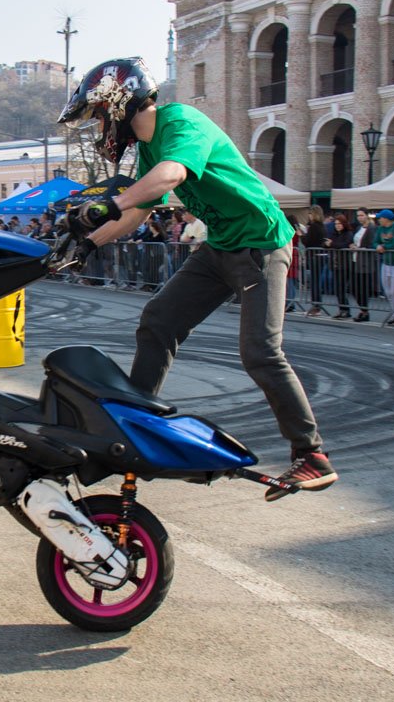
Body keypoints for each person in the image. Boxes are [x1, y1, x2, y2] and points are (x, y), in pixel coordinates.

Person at [58, 56, 336, 500]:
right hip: (222, 246)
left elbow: (173, 174)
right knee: (159, 320)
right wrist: (90, 243)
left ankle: (312, 455)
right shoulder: (150, 148)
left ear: (117, 106)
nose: (99, 129)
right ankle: (135, 423)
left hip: (261, 245)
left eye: (97, 116)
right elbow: (138, 211)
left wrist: (108, 205)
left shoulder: (182, 121)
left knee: (261, 353)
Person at [348, 207, 375, 321]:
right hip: (356, 259)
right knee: (354, 287)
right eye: (358, 215)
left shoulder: (371, 228)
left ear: (367, 215)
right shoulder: (359, 228)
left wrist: (359, 248)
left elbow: (371, 245)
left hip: (365, 262)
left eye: (362, 215)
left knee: (361, 288)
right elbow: (355, 241)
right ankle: (363, 310)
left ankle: (365, 311)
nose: (360, 218)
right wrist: (352, 245)